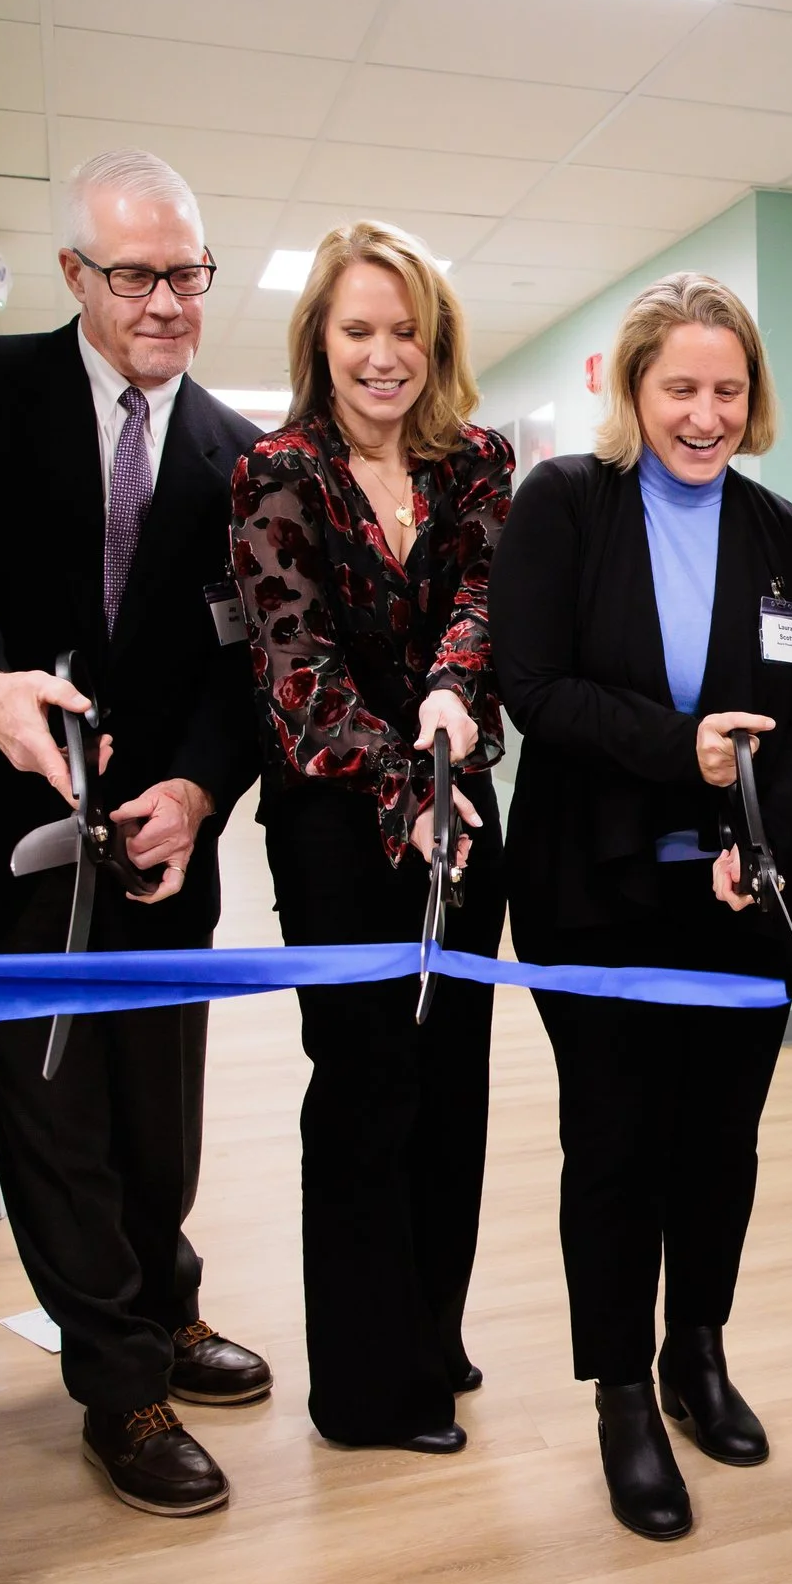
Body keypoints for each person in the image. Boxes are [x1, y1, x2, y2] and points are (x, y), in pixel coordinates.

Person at [0, 149, 268, 1518]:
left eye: (188, 273)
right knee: (57, 1120)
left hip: (161, 846)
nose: (166, 300)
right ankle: (119, 1385)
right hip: (17, 831)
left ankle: (162, 1308)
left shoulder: (239, 454)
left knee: (159, 1120)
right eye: (135, 273)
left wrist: (204, 791)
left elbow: (248, 668)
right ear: (74, 275)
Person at [491, 272, 792, 1542]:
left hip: (736, 899)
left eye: (727, 389)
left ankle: (698, 1352)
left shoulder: (780, 532)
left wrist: (767, 839)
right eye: (679, 386)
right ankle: (621, 1393)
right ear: (630, 389)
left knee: (719, 1144)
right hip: (596, 892)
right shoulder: (566, 507)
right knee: (617, 1145)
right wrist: (679, 748)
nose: (704, 413)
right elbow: (532, 684)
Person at [229, 221, 511, 1455]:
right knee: (363, 1086)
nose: (384, 354)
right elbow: (297, 668)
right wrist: (404, 779)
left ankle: (430, 1332)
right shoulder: (274, 473)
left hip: (462, 806)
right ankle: (361, 1388)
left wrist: (453, 698)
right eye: (359, 330)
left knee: (452, 1079)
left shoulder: (478, 463)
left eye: (406, 330)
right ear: (320, 341)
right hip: (336, 825)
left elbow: (487, 605)